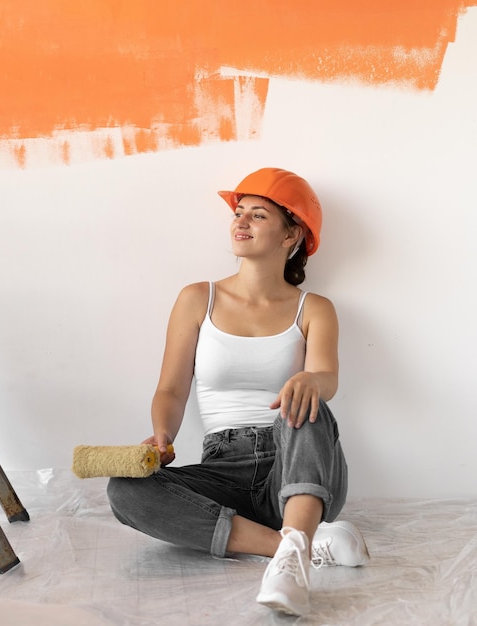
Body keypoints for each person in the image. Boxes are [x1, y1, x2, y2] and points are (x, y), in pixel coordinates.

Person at [107, 167, 369, 616]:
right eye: (239, 212)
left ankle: (295, 546)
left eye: (259, 215)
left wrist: (310, 380)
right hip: (222, 471)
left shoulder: (315, 308)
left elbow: (326, 376)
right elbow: (171, 388)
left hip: (298, 467)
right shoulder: (197, 298)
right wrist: (162, 435)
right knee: (125, 490)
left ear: (292, 235)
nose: (240, 222)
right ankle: (298, 548)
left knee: (306, 408)